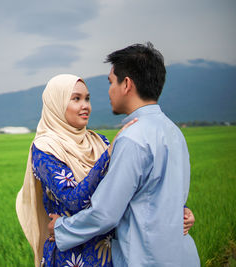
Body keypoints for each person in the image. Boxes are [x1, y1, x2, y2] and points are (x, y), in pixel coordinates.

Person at [16, 73, 195, 266]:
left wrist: (178, 211)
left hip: (108, 252)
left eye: (87, 98)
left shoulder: (99, 141)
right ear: (55, 104)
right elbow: (73, 200)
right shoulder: (45, 149)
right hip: (71, 254)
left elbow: (127, 188)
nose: (85, 106)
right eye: (76, 99)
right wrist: (108, 155)